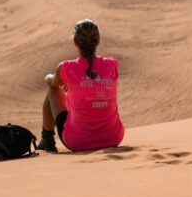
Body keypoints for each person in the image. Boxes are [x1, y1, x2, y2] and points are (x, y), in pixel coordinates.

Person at [36, 19, 125, 153]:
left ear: (75, 42)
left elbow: (53, 82)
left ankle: (47, 140)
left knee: (53, 89)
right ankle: (47, 140)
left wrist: (49, 77)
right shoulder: (112, 65)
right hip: (113, 138)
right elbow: (94, 81)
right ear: (98, 41)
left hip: (78, 141)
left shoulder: (66, 68)